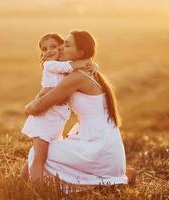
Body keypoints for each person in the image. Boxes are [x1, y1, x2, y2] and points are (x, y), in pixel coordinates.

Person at [21, 30, 136, 187]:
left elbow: (38, 107)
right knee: (41, 153)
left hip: (98, 147)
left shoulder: (77, 78)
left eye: (66, 45)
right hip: (105, 146)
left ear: (80, 52)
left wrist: (27, 107)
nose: (61, 48)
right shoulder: (88, 72)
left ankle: (39, 191)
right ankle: (112, 179)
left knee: (38, 153)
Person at [21, 33, 98, 181]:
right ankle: (36, 192)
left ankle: (22, 180)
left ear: (61, 48)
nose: (48, 51)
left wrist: (92, 64)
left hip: (56, 120)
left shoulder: (63, 67)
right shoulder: (50, 65)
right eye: (44, 49)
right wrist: (89, 62)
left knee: (38, 154)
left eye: (53, 47)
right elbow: (71, 66)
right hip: (45, 119)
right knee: (39, 158)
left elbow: (72, 68)